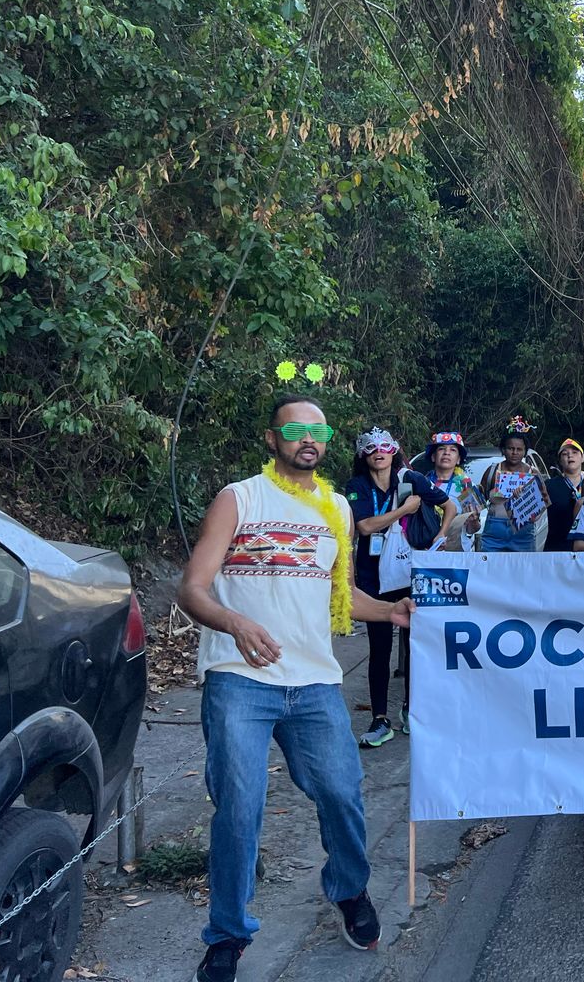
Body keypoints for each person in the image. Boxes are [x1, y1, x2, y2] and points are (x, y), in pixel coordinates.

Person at [177, 396, 414, 982]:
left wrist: (389, 613)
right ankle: (228, 935)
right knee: (240, 808)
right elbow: (192, 589)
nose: (309, 438)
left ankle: (348, 890)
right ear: (272, 437)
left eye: (319, 430)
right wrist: (234, 622)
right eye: (296, 429)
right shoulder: (239, 499)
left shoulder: (336, 508)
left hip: (314, 684)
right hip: (239, 680)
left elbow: (340, 600)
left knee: (342, 794)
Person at [344, 428, 449, 747]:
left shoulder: (410, 479)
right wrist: (404, 511)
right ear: (364, 454)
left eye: (385, 446)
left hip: (408, 571)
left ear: (394, 451)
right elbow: (363, 526)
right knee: (379, 649)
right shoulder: (356, 486)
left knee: (414, 645)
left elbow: (450, 506)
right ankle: (379, 719)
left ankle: (411, 709)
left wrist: (439, 538)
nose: (379, 451)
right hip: (373, 576)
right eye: (371, 447)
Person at [480, 418, 546, 552]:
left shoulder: (533, 473)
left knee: (522, 570)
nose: (515, 453)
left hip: (523, 532)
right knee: (488, 569)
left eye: (519, 449)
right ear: (503, 450)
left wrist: (534, 514)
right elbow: (480, 498)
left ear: (525, 451)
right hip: (494, 531)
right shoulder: (492, 471)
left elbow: (543, 501)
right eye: (510, 448)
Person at [424, 431, 482, 550]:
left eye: (453, 450)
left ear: (458, 459)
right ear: (433, 456)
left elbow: (473, 529)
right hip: (428, 549)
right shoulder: (423, 484)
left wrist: (474, 521)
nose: (446, 453)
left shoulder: (467, 486)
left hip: (458, 551)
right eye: (441, 449)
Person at [544, 438, 584, 552]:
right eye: (565, 454)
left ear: (583, 457)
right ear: (560, 460)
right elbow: (532, 514)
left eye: (575, 452)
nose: (570, 456)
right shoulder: (548, 486)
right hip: (556, 549)